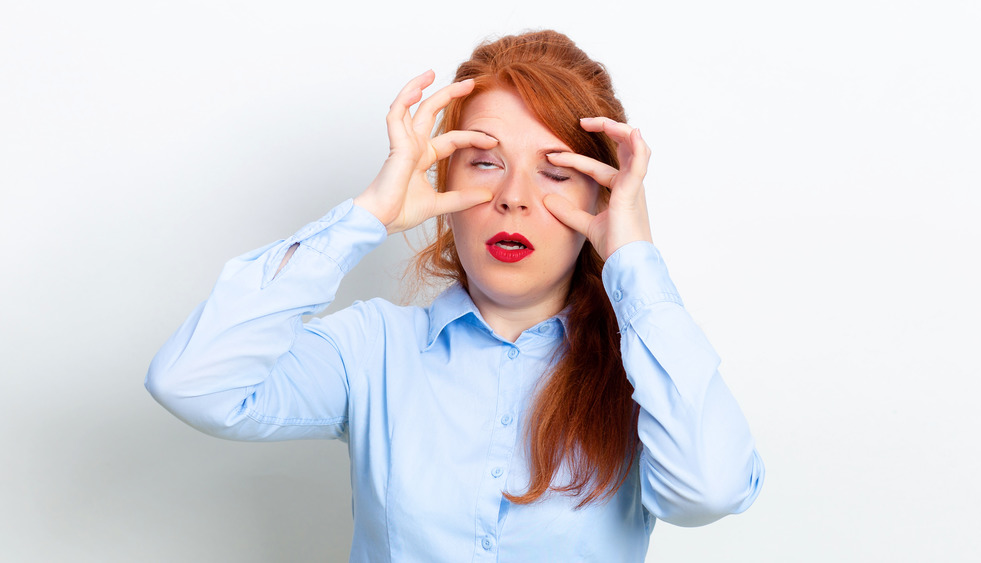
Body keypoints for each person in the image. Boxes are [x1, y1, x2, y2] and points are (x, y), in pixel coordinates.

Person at [146, 30, 764, 562]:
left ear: (599, 200)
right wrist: (367, 216)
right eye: (484, 163)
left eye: (555, 172)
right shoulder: (373, 349)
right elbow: (194, 383)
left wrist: (632, 260)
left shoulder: (643, 373)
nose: (514, 198)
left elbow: (711, 490)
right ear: (444, 183)